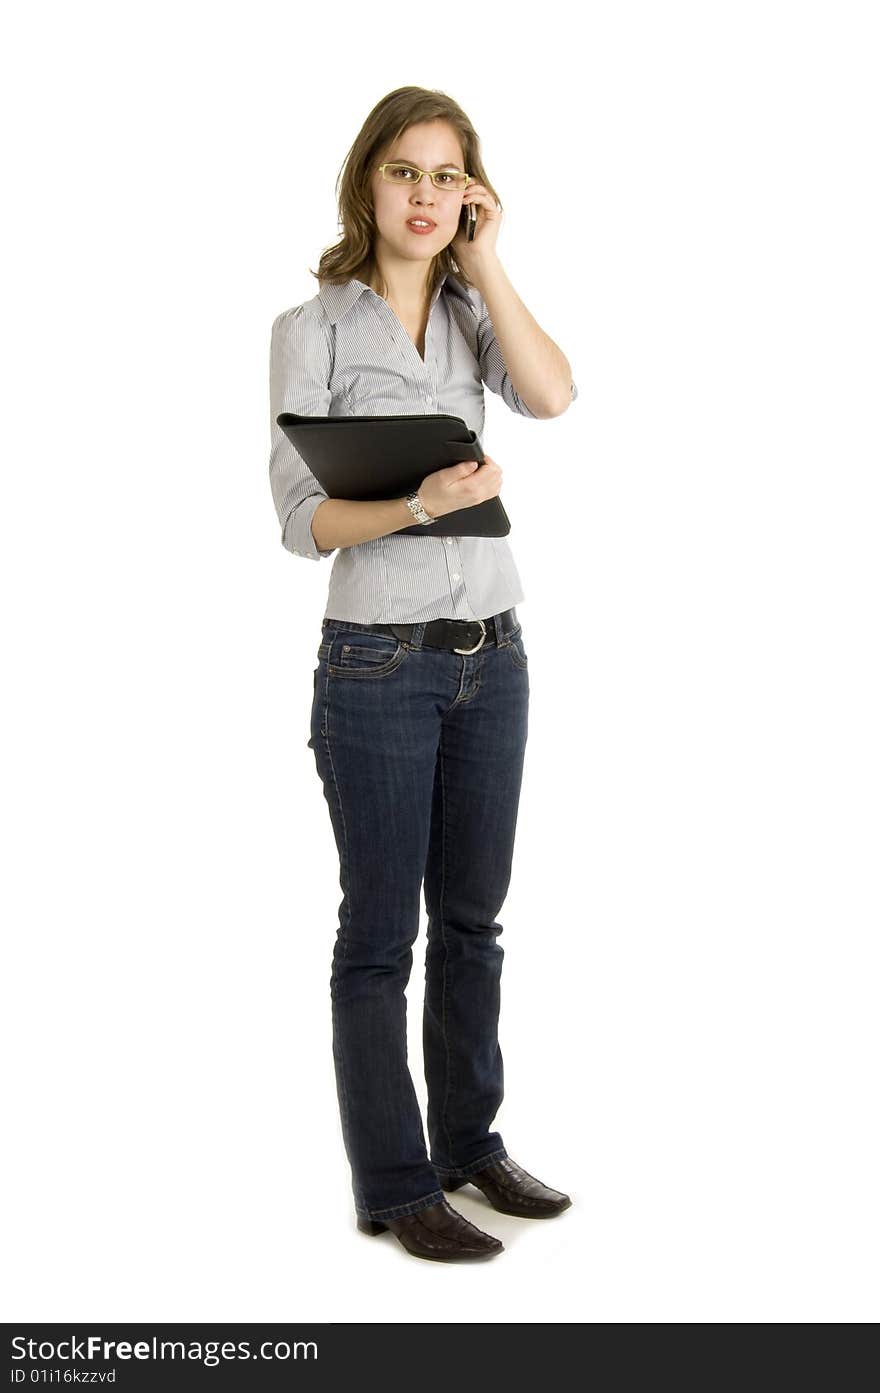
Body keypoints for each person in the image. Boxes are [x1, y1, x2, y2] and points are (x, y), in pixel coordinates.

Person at [268, 86, 578, 1263]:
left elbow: (549, 394)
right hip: (377, 666)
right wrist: (413, 502)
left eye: (449, 177)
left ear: (471, 194)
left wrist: (489, 262)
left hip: (493, 658)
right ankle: (394, 1183)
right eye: (408, 172)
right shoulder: (314, 328)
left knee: (473, 923)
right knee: (378, 935)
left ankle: (468, 1145)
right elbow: (300, 522)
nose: (427, 196)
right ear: (369, 183)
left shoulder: (468, 311)